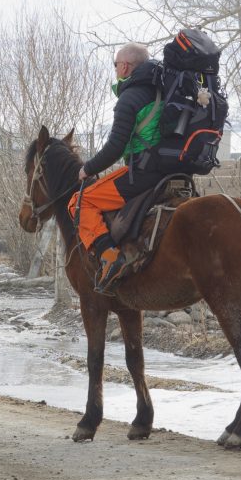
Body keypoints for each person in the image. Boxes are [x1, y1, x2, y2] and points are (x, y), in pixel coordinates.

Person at [73, 42, 166, 293]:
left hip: (142, 174)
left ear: (124, 66)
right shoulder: (163, 91)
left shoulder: (130, 97)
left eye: (115, 65)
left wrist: (88, 169)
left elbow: (116, 146)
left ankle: (110, 258)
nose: (115, 70)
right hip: (170, 172)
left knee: (80, 203)